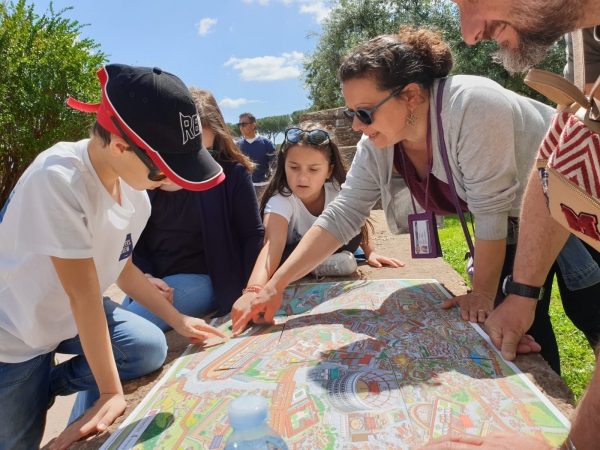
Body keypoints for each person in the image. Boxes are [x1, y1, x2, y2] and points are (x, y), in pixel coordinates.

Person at [229, 27, 561, 356]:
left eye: (364, 112)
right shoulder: (378, 144)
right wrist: (275, 286)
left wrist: (483, 297)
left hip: (570, 201)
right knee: (521, 331)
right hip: (514, 222)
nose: (357, 125)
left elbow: (490, 211)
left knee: (588, 312)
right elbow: (343, 214)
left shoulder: (473, 106)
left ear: (412, 96)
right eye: (350, 113)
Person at [0, 64, 226, 450]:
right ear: (121, 146)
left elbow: (121, 264)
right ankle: (33, 385)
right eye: (162, 172)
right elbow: (83, 294)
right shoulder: (58, 179)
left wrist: (178, 319)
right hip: (16, 336)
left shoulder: (134, 190)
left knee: (148, 346)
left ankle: (48, 385)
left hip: (67, 320)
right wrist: (109, 392)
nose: (171, 182)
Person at [423, 1, 599, 449]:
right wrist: (521, 294)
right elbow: (561, 158)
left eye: (470, 1)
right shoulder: (587, 38)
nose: (468, 32)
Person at [231, 125, 402, 332]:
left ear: (329, 170)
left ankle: (317, 263)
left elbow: (356, 219)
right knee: (283, 256)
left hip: (337, 248)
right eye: (294, 167)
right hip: (291, 252)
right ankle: (314, 265)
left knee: (350, 238)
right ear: (284, 167)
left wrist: (371, 252)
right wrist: (253, 290)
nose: (303, 178)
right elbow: (271, 245)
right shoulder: (281, 199)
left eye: (313, 169)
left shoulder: (339, 190)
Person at [122, 88, 264, 329]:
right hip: (152, 279)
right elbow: (131, 242)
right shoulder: (145, 177)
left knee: (129, 329)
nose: (193, 165)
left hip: (206, 278)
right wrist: (145, 278)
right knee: (117, 328)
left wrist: (250, 291)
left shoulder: (233, 174)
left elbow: (252, 235)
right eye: (183, 154)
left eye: (204, 154)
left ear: (218, 138)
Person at [237, 112, 277, 199]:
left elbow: (275, 165)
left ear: (253, 125)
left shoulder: (267, 143)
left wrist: (272, 184)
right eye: (239, 124)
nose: (241, 127)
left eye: (244, 124)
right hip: (243, 188)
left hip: (263, 188)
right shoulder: (237, 146)